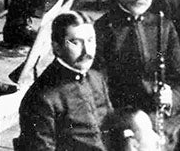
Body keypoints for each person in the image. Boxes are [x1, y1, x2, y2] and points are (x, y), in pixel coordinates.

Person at [93, 0, 180, 143]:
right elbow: (98, 90)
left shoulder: (164, 26)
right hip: (123, 121)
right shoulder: (102, 29)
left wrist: (170, 99)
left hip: (164, 119)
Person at [18, 11, 112, 150]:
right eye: (75, 42)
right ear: (57, 47)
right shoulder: (42, 98)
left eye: (91, 40)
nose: (87, 51)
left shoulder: (96, 78)